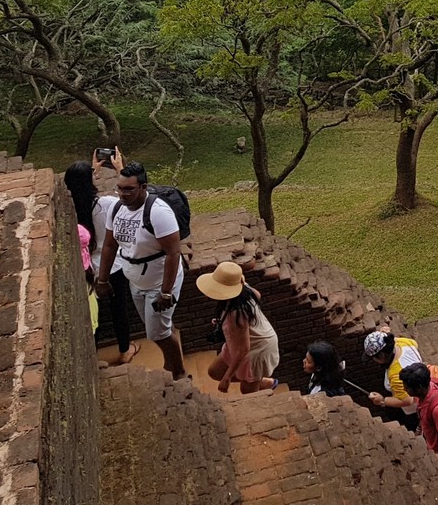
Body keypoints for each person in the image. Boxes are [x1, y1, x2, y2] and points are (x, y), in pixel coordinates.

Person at [94, 157, 185, 380]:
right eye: (120, 189)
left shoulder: (158, 213)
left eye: (129, 189)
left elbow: (173, 253)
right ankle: (173, 362)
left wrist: (166, 291)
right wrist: (103, 280)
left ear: (143, 187)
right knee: (159, 329)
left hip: (158, 283)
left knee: (157, 333)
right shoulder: (117, 209)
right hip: (136, 281)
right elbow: (109, 244)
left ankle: (177, 371)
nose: (123, 194)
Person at [65, 160, 139, 365]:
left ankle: (94, 356)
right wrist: (119, 170)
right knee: (119, 309)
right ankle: (125, 350)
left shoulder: (68, 211)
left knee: (92, 316)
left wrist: (90, 172)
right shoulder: (104, 205)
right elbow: (128, 203)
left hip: (86, 268)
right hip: (111, 265)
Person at [198, 261, 280, 393]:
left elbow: (243, 350)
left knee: (248, 394)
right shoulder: (242, 287)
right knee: (214, 371)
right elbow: (257, 295)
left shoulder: (236, 314)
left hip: (257, 350)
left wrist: (228, 377)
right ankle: (260, 381)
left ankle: (256, 381)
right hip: (242, 343)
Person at [364, 328, 426, 419]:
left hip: (415, 408)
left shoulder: (397, 375)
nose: (374, 361)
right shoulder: (403, 343)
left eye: (374, 358)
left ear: (381, 356)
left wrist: (382, 400)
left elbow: (407, 400)